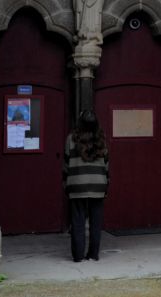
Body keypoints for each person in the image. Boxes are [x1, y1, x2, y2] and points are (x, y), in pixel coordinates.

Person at [63, 110, 109, 261]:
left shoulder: (71, 139)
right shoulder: (101, 140)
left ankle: (78, 256)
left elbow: (66, 164)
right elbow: (107, 166)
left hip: (77, 185)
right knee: (96, 222)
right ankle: (93, 254)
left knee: (77, 221)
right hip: (98, 185)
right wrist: (106, 185)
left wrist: (66, 185)